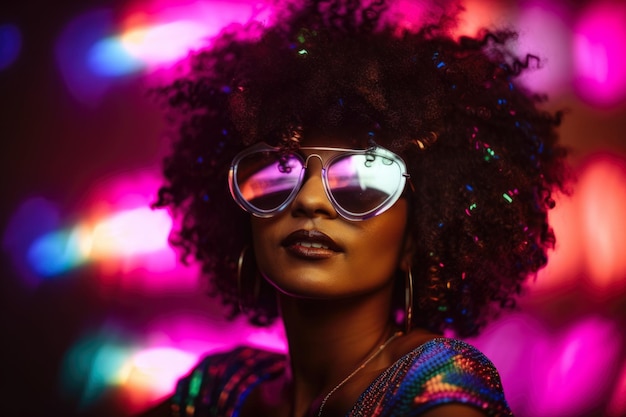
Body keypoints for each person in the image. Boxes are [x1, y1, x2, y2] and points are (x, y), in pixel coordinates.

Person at [142, 0, 569, 415]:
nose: (310, 200)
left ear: (415, 239)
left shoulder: (439, 390)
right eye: (280, 171)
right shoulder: (222, 389)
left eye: (364, 181)